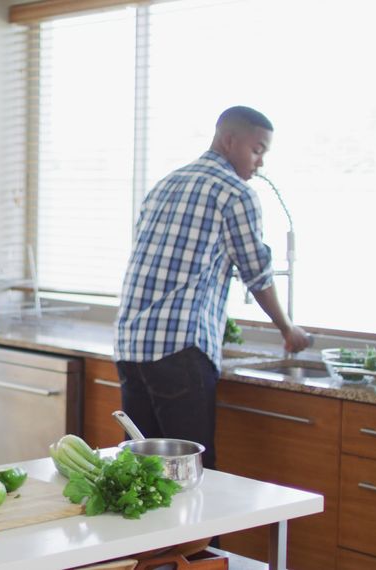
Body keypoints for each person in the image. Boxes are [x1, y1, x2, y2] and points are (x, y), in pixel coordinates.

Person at [113, 106, 311, 469]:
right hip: (179, 349)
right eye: (257, 149)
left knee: (140, 473)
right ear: (229, 140)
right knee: (195, 478)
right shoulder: (236, 194)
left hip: (131, 348)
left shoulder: (166, 184)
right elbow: (257, 273)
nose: (261, 162)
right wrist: (287, 328)